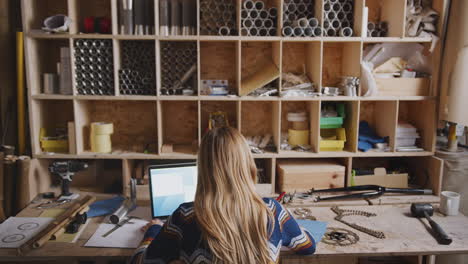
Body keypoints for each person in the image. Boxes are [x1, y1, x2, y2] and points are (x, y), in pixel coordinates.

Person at [131, 127, 316, 263]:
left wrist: (153, 230)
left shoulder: (185, 216)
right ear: (247, 164)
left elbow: (140, 262)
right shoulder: (272, 211)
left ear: (203, 168)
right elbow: (308, 247)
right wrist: (290, 226)